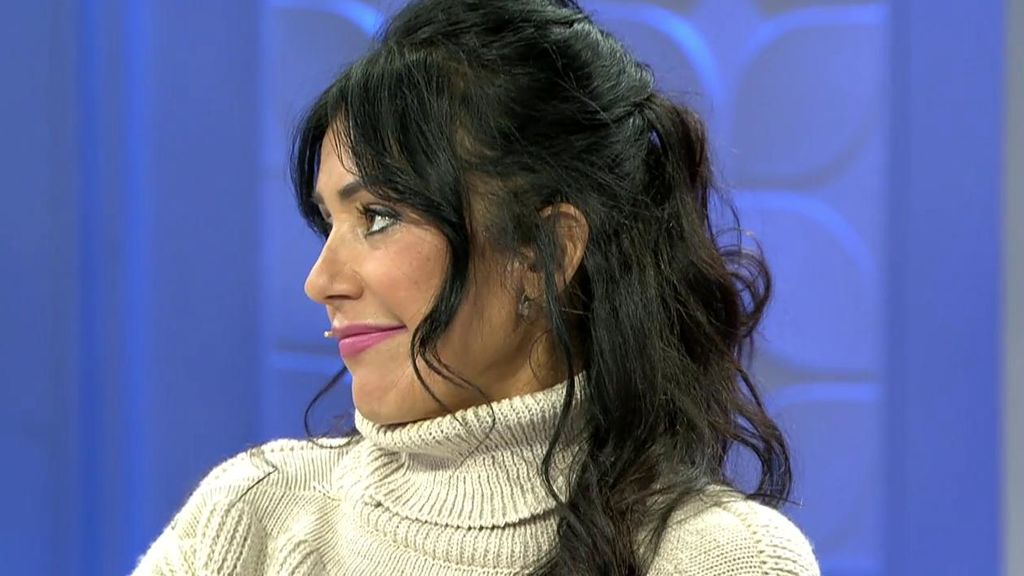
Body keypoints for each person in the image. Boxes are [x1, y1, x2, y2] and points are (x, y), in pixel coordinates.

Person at [132, 0, 820, 574]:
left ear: (546, 252)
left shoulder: (721, 560)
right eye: (328, 222)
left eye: (378, 216)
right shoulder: (252, 514)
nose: (322, 281)